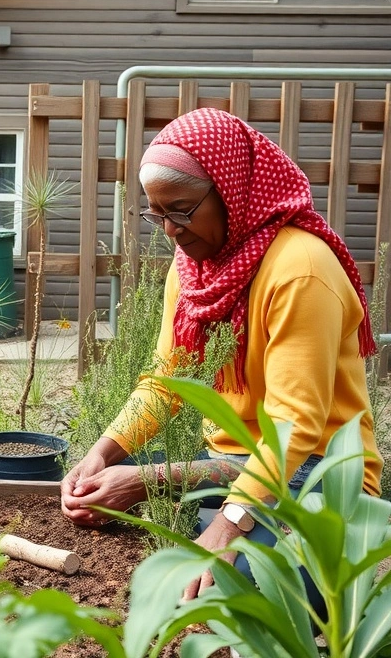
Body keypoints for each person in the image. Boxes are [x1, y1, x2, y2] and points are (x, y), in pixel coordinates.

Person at [61, 107, 384, 601]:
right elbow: (167, 380)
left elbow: (293, 428)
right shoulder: (196, 267)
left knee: (237, 595)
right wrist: (100, 456)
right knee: (103, 491)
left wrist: (227, 526)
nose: (169, 230)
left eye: (182, 209)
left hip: (318, 477)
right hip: (230, 461)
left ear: (232, 190)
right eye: (156, 213)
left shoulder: (300, 270)